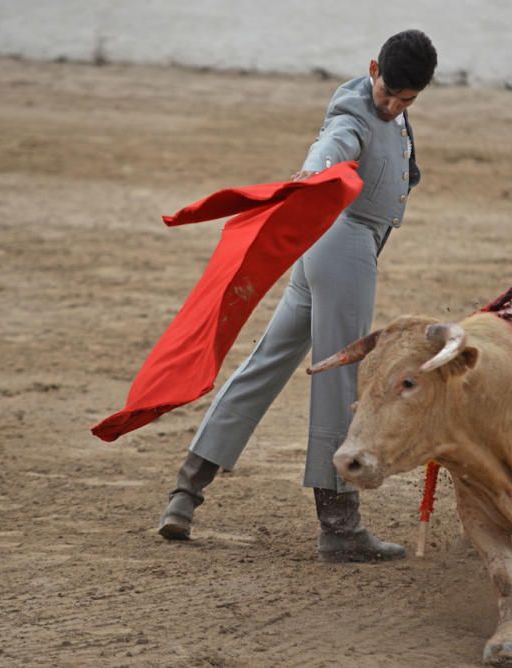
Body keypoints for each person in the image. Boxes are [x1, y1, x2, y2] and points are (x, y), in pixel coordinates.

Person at [157, 29, 437, 563]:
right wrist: (312, 174)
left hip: (326, 248)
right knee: (339, 376)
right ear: (372, 69)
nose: (395, 106)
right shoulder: (353, 111)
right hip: (346, 246)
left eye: (408, 99)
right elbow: (334, 143)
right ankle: (340, 524)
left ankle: (185, 493)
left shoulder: (394, 108)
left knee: (267, 361)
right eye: (390, 94)